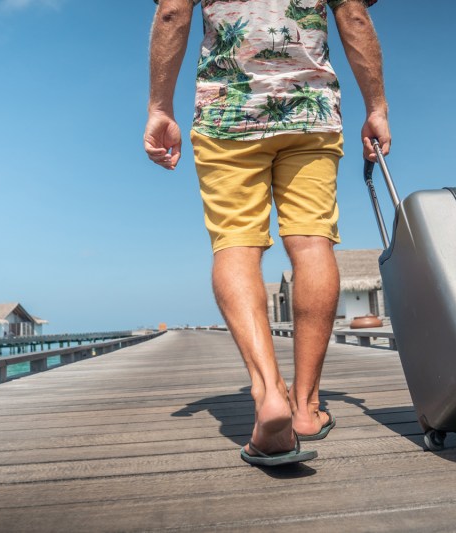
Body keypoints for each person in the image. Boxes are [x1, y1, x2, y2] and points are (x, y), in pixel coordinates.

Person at [144, 0, 390, 466]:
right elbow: (354, 16)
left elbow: (173, 12)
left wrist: (160, 106)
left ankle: (267, 396)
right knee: (313, 243)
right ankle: (306, 408)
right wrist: (377, 106)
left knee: (235, 245)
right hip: (310, 113)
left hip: (227, 115)